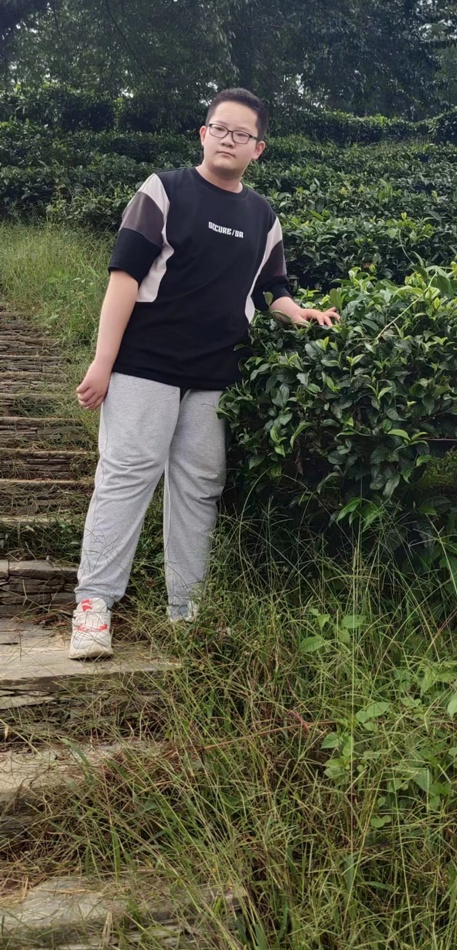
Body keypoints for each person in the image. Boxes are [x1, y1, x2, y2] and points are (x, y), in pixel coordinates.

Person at [70, 87, 339, 660]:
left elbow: (272, 289)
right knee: (127, 476)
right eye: (220, 128)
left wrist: (299, 312)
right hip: (144, 366)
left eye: (242, 134)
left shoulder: (263, 216)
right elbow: (124, 277)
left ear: (258, 148)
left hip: (215, 376)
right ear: (203, 133)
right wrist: (103, 360)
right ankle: (93, 605)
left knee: (199, 487)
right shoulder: (163, 191)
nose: (228, 140)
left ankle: (186, 611)